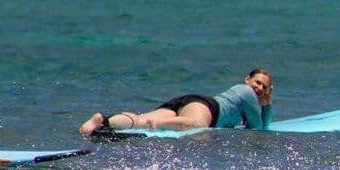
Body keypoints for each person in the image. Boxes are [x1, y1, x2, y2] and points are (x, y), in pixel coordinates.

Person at [79, 68, 273, 135]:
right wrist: (267, 103)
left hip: (189, 103)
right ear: (247, 79)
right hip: (207, 108)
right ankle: (160, 124)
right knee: (197, 124)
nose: (260, 89)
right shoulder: (247, 92)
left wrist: (265, 101)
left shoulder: (243, 93)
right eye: (258, 83)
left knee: (140, 119)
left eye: (265, 87)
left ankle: (103, 120)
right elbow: (258, 128)